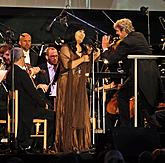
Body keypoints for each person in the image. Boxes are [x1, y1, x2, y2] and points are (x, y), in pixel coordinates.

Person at [101, 18, 164, 128]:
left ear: (124, 30)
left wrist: (105, 48)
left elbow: (112, 59)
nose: (117, 34)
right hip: (151, 73)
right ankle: (156, 133)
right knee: (146, 107)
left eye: (117, 31)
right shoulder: (139, 36)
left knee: (122, 95)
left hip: (139, 74)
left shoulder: (126, 42)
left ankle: (126, 127)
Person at [55, 23, 100, 152]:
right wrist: (83, 59)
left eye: (84, 32)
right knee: (69, 111)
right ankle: (69, 143)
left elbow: (88, 64)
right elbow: (68, 65)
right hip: (67, 83)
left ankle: (81, 143)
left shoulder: (84, 48)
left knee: (80, 112)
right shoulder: (65, 48)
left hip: (79, 84)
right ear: (73, 33)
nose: (82, 34)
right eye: (80, 31)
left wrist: (94, 55)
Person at [6, 47, 55, 153]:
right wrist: (43, 104)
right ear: (20, 58)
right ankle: (43, 144)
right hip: (27, 109)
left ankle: (37, 143)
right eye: (23, 57)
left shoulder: (10, 73)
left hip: (16, 107)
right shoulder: (21, 73)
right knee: (54, 116)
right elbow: (32, 93)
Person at [35, 44, 60, 111]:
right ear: (46, 57)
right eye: (52, 56)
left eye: (56, 56)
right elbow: (34, 85)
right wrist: (39, 85)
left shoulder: (61, 68)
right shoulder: (40, 68)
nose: (55, 58)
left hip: (60, 97)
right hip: (46, 99)